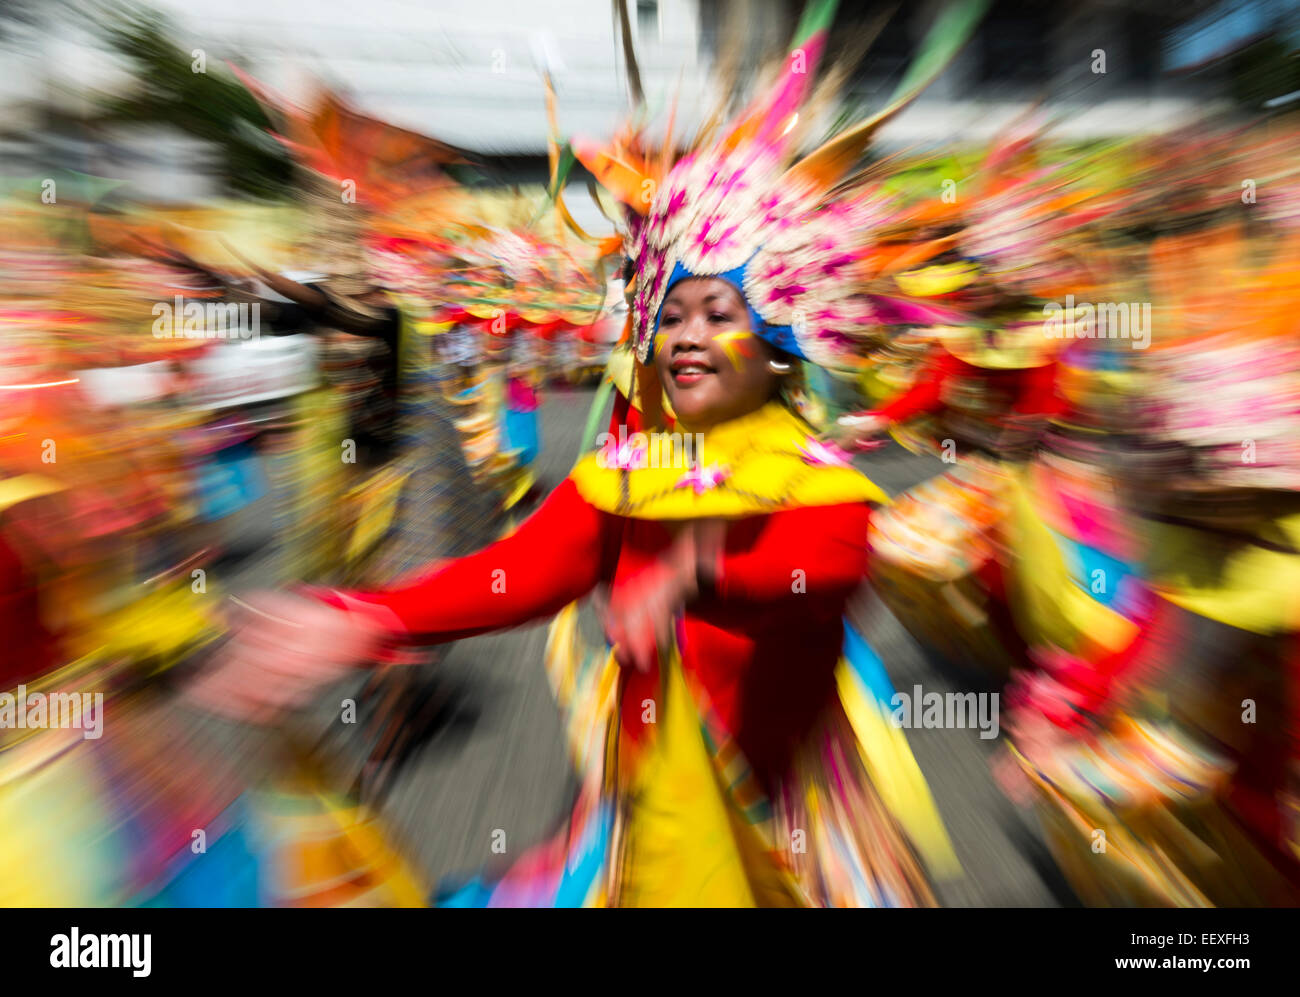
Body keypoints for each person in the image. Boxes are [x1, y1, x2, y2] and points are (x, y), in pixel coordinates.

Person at [191, 114, 957, 905]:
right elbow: (521, 571)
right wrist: (363, 618)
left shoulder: (817, 479)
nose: (686, 338)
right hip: (651, 809)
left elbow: (823, 568)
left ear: (778, 340)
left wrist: (696, 570)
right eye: (674, 313)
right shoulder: (631, 470)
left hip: (786, 839)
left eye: (719, 315)